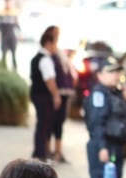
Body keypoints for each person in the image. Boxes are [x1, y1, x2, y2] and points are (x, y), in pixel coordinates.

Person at [29, 26, 61, 163]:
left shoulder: (37, 58)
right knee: (44, 125)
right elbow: (50, 81)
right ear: (48, 43)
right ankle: (40, 154)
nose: (56, 47)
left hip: (37, 95)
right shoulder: (45, 59)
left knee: (42, 124)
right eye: (55, 43)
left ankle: (39, 153)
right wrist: (56, 95)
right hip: (43, 96)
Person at [50, 28, 76, 164]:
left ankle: (58, 151)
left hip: (66, 92)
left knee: (60, 122)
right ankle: (51, 151)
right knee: (53, 122)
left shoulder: (61, 53)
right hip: (58, 93)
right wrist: (55, 94)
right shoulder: (52, 53)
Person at [0, 0, 20, 70]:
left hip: (12, 35)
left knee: (13, 53)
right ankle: (3, 68)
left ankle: (14, 68)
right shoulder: (1, 12)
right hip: (4, 35)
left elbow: (17, 25)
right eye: (7, 2)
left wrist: (19, 34)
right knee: (4, 53)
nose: (8, 4)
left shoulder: (14, 12)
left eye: (9, 2)